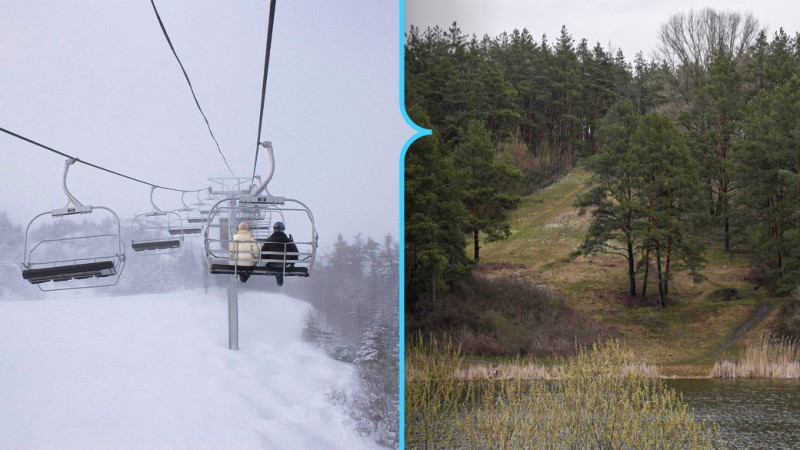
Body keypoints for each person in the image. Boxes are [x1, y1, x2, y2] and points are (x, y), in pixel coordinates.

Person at [261, 221, 298, 286]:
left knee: (275, 267)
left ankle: (278, 277)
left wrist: (269, 259)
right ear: (283, 230)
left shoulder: (269, 240)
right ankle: (279, 278)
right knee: (280, 269)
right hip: (284, 263)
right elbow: (295, 253)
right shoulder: (288, 241)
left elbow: (263, 254)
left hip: (272, 263)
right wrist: (292, 263)